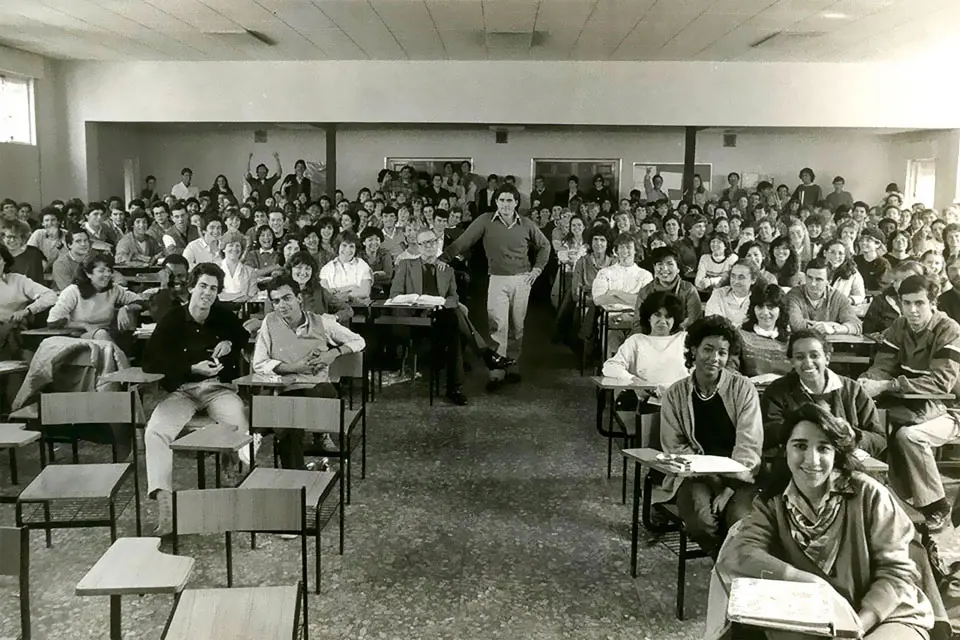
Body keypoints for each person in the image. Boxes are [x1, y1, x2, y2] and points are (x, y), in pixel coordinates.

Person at [715, 403, 934, 640]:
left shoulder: (869, 494)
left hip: (886, 615)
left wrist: (857, 626)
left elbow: (896, 574)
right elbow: (742, 552)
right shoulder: (772, 501)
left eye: (823, 448)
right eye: (800, 446)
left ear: (836, 454)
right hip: (818, 615)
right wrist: (809, 581)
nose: (812, 460)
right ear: (784, 449)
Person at [141, 262, 257, 536]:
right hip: (183, 390)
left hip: (219, 389)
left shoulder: (222, 315)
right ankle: (166, 506)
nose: (207, 293)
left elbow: (241, 334)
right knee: (155, 432)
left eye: (213, 289)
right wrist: (191, 368)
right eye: (203, 286)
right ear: (191, 287)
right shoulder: (172, 319)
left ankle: (237, 489)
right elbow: (150, 361)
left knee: (241, 427)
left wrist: (230, 343)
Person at [859, 275, 960, 531]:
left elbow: (941, 384)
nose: (913, 311)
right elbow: (882, 366)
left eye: (920, 303)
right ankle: (890, 500)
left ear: (933, 303)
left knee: (907, 436)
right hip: (911, 406)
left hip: (949, 409)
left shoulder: (949, 329)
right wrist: (866, 382)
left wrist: (887, 386)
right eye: (907, 303)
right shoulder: (899, 326)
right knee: (873, 422)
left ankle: (936, 505)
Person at [657, 315, 763, 557]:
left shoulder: (743, 389)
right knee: (702, 521)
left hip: (740, 477)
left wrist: (728, 487)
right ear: (693, 350)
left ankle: (728, 567)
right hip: (695, 476)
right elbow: (675, 448)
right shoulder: (675, 394)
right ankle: (723, 564)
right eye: (708, 349)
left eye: (722, 352)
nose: (715, 358)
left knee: (740, 522)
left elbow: (749, 446)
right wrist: (713, 478)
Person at [441, 183, 550, 391]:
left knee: (517, 325)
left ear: (516, 203)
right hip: (497, 279)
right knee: (497, 324)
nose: (505, 204)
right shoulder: (485, 221)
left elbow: (545, 246)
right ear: (496, 202)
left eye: (510, 200)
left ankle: (513, 364)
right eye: (501, 200)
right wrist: (443, 258)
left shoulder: (526, 224)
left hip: (522, 279)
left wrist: (536, 270)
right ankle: (496, 371)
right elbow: (464, 241)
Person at [252, 276, 365, 469]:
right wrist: (295, 368)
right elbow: (259, 363)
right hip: (286, 392)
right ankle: (298, 480)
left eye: (287, 298)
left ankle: (260, 430)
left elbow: (359, 341)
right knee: (288, 428)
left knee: (283, 411)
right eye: (276, 301)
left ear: (299, 298)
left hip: (320, 390)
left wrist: (333, 353)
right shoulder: (269, 323)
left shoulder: (321, 323)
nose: (282, 305)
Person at [761, 329, 886, 456]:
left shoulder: (853, 390)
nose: (808, 362)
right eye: (799, 357)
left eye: (814, 356)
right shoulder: (777, 391)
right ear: (792, 362)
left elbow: (880, 440)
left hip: (847, 467)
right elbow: (768, 434)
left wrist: (854, 435)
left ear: (827, 358)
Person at [390, 229, 469, 405]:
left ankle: (453, 388)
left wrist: (440, 303)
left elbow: (453, 298)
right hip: (415, 319)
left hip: (440, 317)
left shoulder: (446, 269)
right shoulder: (406, 265)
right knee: (455, 325)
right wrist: (415, 302)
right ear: (417, 246)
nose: (429, 246)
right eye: (425, 243)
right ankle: (480, 355)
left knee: (452, 323)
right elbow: (394, 294)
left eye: (432, 241)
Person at [602, 291, 689, 401]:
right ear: (649, 317)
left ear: (675, 319)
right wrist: (634, 381)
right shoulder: (637, 340)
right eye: (657, 315)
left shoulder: (684, 339)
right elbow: (610, 367)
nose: (662, 321)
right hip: (649, 400)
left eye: (668, 317)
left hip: (681, 399)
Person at [47, 253, 143, 341]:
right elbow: (53, 321)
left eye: (109, 271)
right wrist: (84, 325)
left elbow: (140, 301)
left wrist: (125, 308)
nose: (107, 275)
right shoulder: (73, 291)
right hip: (78, 336)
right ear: (88, 273)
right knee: (101, 335)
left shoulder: (114, 289)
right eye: (101, 271)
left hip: (108, 334)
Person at [631, 245, 702, 333]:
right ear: (654, 268)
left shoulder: (689, 290)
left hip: (680, 339)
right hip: (651, 338)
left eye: (670, 264)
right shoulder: (645, 291)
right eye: (660, 264)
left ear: (678, 268)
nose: (664, 269)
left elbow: (694, 321)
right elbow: (638, 323)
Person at [785, 257, 862, 335]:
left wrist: (834, 329)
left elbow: (857, 326)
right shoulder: (794, 294)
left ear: (828, 281)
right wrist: (829, 325)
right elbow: (796, 325)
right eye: (809, 277)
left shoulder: (838, 297)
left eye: (819, 279)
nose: (813, 283)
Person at [739, 283, 792, 377]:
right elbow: (731, 370)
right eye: (760, 307)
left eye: (770, 307)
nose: (765, 312)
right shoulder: (740, 336)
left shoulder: (791, 341)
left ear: (780, 310)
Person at [863, 260, 925, 336]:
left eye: (904, 281)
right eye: (895, 280)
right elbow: (867, 332)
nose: (898, 285)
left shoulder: (928, 302)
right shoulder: (881, 301)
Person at [318, 230, 373, 303]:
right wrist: (351, 288)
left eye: (351, 246)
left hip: (359, 309)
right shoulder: (326, 268)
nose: (347, 250)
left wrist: (338, 292)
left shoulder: (362, 265)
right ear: (338, 246)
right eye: (344, 245)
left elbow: (364, 292)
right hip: (334, 309)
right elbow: (325, 294)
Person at [704, 261, 754, 327]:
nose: (736, 281)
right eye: (733, 276)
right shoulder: (718, 294)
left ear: (753, 280)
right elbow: (713, 322)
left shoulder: (757, 299)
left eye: (741, 277)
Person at [217, 230, 257, 302]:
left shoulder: (250, 272)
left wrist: (226, 297)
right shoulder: (215, 269)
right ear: (223, 249)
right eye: (231, 245)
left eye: (237, 245)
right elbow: (216, 295)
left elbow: (251, 296)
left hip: (242, 311)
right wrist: (240, 295)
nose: (234, 249)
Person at [1, 219, 45, 284]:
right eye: (9, 237)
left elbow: (36, 281)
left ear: (23, 239)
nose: (12, 240)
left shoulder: (33, 253)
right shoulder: (1, 256)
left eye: (16, 237)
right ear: (3, 238)